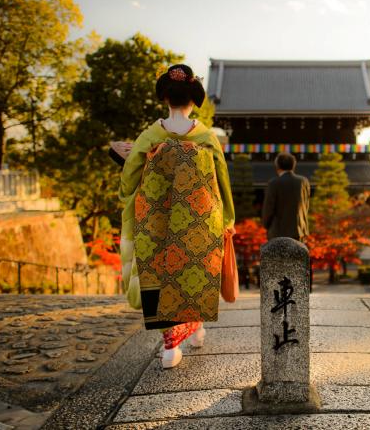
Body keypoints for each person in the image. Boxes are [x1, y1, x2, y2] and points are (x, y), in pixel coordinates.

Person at [118, 64, 235, 369]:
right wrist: (228, 219)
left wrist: (129, 196)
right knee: (194, 274)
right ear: (193, 100)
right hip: (199, 217)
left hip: (156, 217)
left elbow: (130, 176)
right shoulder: (207, 137)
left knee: (161, 274)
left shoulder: (150, 135)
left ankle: (170, 345)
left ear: (165, 99)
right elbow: (221, 178)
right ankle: (195, 328)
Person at [262, 152, 310, 241]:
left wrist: (266, 225)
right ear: (293, 165)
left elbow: (268, 209)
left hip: (278, 233)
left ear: (277, 166)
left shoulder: (274, 183)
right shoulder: (303, 182)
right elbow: (306, 206)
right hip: (299, 231)